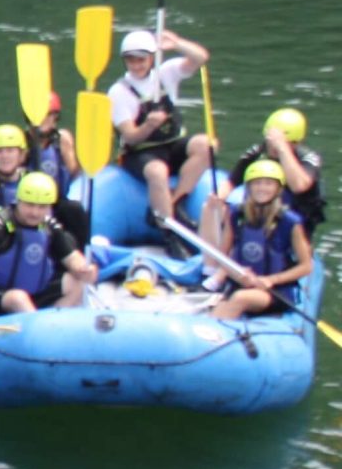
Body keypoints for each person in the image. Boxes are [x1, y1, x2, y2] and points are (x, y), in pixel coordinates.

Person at [110, 25, 215, 243]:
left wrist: (176, 43)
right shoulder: (119, 92)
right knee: (158, 172)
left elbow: (200, 57)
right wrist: (148, 126)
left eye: (142, 59)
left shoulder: (166, 73)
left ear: (152, 58)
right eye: (131, 60)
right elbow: (130, 136)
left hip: (171, 144)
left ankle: (176, 202)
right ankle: (170, 233)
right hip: (139, 152)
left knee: (207, 145)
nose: (137, 65)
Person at [0, 173, 95, 318]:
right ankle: (36, 330)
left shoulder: (50, 226)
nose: (35, 212)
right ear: (18, 200)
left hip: (31, 294)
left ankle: (52, 324)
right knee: (18, 298)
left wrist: (84, 269)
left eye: (42, 207)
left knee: (78, 283)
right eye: (29, 205)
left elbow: (72, 258)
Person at [202, 158, 314, 320]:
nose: (262, 188)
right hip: (240, 284)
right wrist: (236, 273)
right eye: (257, 183)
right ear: (249, 187)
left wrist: (270, 280)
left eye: (268, 183)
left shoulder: (290, 222)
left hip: (275, 291)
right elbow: (223, 257)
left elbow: (306, 267)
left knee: (241, 298)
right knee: (229, 301)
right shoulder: (237, 215)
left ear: (278, 188)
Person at [0, 119, 85, 241]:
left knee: (72, 210)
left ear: (22, 155)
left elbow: (45, 216)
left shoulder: (31, 179)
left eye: (10, 151)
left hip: (31, 236)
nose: (4, 156)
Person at [228, 107, 324, 236]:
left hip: (298, 216)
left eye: (289, 143)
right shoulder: (257, 152)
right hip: (259, 212)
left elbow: (300, 186)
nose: (273, 147)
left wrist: (282, 148)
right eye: (271, 142)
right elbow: (232, 182)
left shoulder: (308, 157)